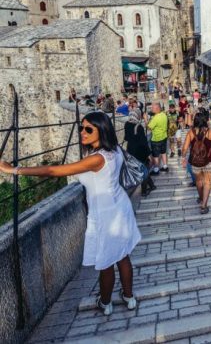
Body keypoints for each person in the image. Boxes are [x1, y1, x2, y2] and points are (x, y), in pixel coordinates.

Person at [0, 112, 140, 316]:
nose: (82, 132)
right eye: (81, 128)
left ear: (102, 130)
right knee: (122, 255)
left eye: (88, 129)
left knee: (107, 262)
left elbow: (54, 171)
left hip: (106, 215)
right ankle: (129, 298)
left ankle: (106, 302)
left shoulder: (97, 159)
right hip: (119, 206)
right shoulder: (115, 150)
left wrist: (14, 170)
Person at [181, 112, 211, 214]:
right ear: (205, 120)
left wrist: (183, 158)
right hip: (209, 161)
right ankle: (204, 205)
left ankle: (201, 198)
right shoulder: (210, 132)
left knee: (199, 182)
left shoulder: (191, 132)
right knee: (207, 182)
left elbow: (185, 148)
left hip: (195, 161)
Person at [125, 109, 155, 197]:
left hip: (131, 151)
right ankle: (144, 191)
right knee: (144, 170)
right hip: (140, 151)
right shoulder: (139, 127)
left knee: (143, 169)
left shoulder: (127, 124)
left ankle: (152, 186)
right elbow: (144, 142)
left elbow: (126, 138)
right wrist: (149, 154)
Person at [147, 101, 169, 175]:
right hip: (164, 137)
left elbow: (149, 127)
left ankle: (156, 169)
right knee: (163, 152)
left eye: (152, 108)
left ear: (157, 108)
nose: (151, 109)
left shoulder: (155, 118)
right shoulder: (164, 115)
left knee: (155, 155)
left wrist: (146, 119)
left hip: (156, 138)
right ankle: (165, 166)